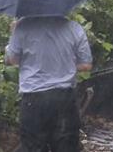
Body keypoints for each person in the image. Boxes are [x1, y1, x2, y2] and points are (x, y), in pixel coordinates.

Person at [6, 14, 94, 152]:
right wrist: (64, 66)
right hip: (64, 98)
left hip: (33, 99)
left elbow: (12, 60)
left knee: (32, 147)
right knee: (66, 147)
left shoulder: (22, 27)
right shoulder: (74, 28)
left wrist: (13, 33)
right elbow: (86, 65)